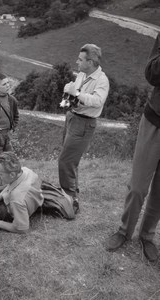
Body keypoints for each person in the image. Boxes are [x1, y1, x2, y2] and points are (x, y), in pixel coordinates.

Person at [105, 34, 160, 262]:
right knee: (138, 186)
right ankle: (124, 231)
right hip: (155, 120)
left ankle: (147, 236)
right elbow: (151, 74)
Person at [58, 44, 109, 213]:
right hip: (73, 117)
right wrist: (69, 93)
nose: (77, 62)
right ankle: (73, 194)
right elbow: (76, 92)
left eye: (80, 59)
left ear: (91, 61)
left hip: (84, 122)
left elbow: (98, 101)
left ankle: (69, 199)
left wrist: (78, 94)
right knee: (70, 159)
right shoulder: (82, 74)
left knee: (66, 161)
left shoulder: (102, 80)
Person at [0, 152, 43, 233]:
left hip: (16, 208)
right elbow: (11, 185)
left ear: (12, 174)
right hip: (32, 199)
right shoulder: (26, 170)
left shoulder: (16, 199)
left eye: (0, 174)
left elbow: (22, 228)